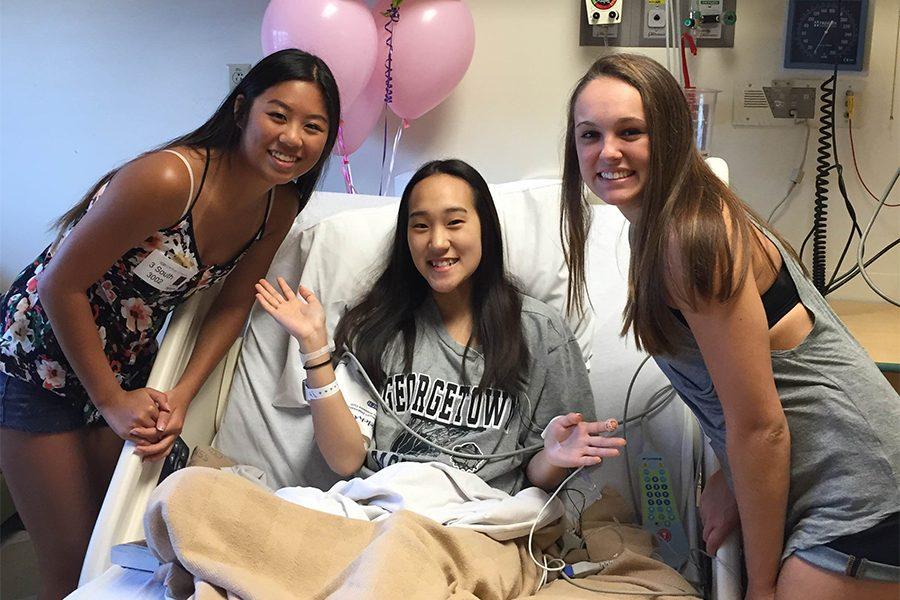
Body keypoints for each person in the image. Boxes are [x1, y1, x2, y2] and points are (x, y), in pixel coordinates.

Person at [0, 48, 340, 599]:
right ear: (241, 111)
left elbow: (232, 305)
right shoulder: (168, 178)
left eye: (313, 126)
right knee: (68, 569)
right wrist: (111, 400)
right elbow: (61, 284)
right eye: (278, 115)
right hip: (39, 356)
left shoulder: (278, 207)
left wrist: (180, 394)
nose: (293, 137)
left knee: (111, 552)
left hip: (127, 363)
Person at [560, 53, 899, 598]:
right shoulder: (660, 227)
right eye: (589, 135)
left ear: (670, 136)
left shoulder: (689, 239)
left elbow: (760, 427)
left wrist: (760, 587)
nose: (608, 152)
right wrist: (734, 483)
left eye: (630, 132)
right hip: (832, 481)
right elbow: (751, 394)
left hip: (863, 494)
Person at [254, 158, 626, 495]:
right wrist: (314, 348)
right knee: (206, 493)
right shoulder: (376, 326)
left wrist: (555, 456)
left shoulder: (540, 332)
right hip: (381, 513)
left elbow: (540, 478)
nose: (437, 242)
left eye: (454, 222)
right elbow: (346, 460)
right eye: (420, 226)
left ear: (485, 229)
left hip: (480, 523)